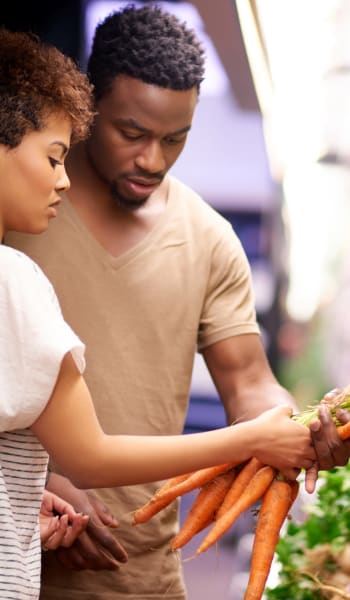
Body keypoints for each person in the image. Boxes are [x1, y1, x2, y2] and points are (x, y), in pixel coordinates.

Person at [4, 5, 350, 599]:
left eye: (176, 139)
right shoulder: (20, 217)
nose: (153, 161)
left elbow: (249, 382)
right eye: (131, 134)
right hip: (26, 555)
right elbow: (78, 450)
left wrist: (296, 426)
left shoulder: (211, 237)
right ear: (90, 107)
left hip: (147, 577)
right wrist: (42, 481)